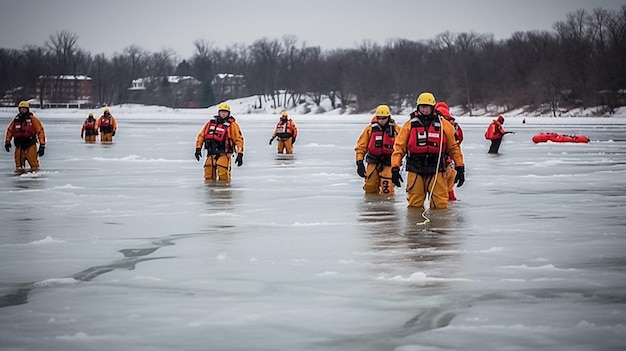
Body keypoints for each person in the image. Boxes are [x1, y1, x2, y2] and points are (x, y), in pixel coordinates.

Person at [391, 92, 465, 209]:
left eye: (427, 107)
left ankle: (439, 227)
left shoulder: (444, 125)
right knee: (414, 203)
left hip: (436, 169)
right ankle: (414, 226)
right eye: (422, 107)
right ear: (418, 107)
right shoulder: (409, 125)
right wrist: (395, 167)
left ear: (432, 107)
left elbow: (453, 148)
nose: (424, 110)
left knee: (440, 204)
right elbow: (399, 148)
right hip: (415, 168)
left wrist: (460, 167)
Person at [354, 104, 401, 196]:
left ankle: (387, 208)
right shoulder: (370, 130)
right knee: (370, 187)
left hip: (389, 162)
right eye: (379, 118)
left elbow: (402, 146)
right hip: (373, 161)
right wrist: (359, 162)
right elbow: (361, 147)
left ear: (388, 117)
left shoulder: (397, 130)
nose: (381, 121)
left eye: (384, 118)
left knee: (387, 189)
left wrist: (397, 165)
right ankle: (372, 207)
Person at [194, 102, 245, 182]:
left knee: (223, 174)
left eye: (225, 112)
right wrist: (198, 148)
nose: (223, 114)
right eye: (222, 112)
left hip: (224, 153)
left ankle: (224, 192)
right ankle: (210, 191)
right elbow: (201, 136)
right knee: (208, 175)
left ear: (228, 113)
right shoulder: (210, 124)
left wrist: (240, 153)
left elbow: (239, 139)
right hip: (211, 154)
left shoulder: (232, 125)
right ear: (219, 112)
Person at [4, 101, 46, 172]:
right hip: (19, 144)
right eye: (21, 109)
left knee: (32, 160)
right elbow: (10, 131)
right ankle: (19, 174)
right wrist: (7, 142)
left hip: (30, 143)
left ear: (27, 109)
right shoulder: (16, 120)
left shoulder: (32, 119)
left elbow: (40, 131)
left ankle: (35, 173)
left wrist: (42, 145)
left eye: (24, 109)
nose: (22, 110)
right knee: (18, 162)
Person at [435, 101, 464, 201]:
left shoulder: (434, 123)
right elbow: (459, 141)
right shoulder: (455, 125)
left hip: (437, 165)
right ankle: (451, 204)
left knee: (438, 193)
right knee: (449, 189)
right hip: (451, 163)